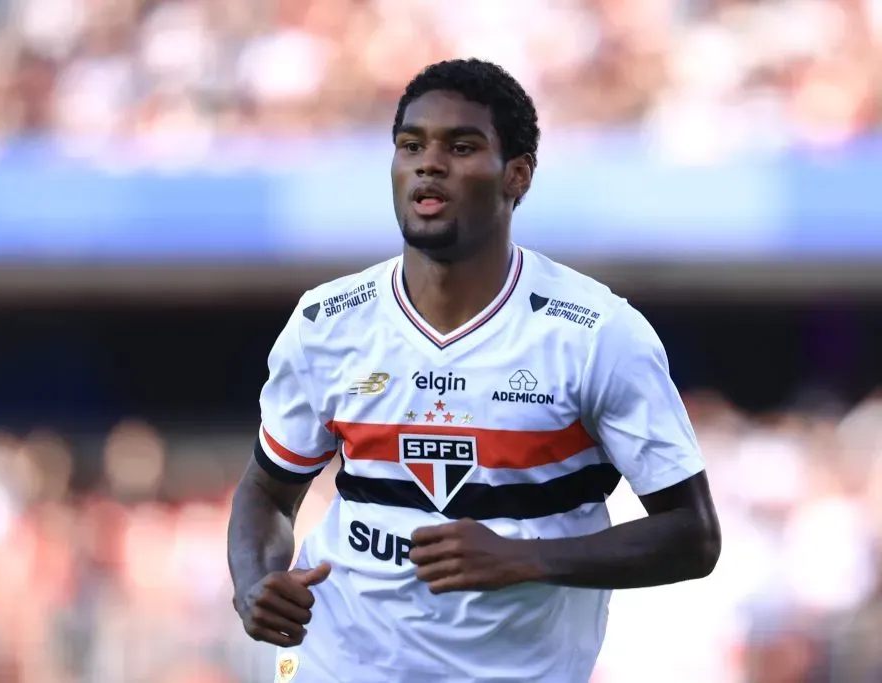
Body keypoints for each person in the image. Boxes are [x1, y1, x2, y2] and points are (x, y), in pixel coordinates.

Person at [227, 58, 721, 683]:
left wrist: (526, 559)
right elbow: (268, 492)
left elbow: (692, 537)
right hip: (339, 660)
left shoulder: (596, 333)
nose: (428, 164)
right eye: (411, 145)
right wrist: (256, 582)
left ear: (518, 175)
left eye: (461, 146)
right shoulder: (327, 321)